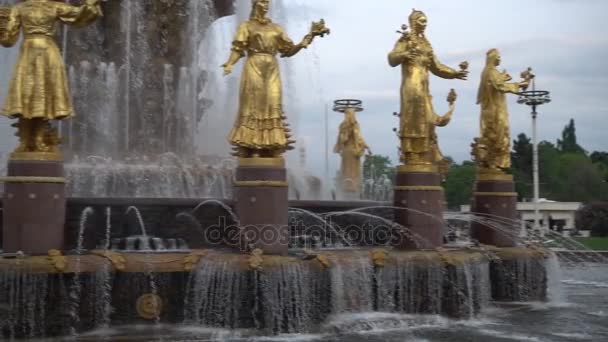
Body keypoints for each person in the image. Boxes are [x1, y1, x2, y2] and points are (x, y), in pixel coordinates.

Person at [222, 0, 328, 158]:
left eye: (267, 3)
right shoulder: (246, 26)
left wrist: (309, 37)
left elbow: (288, 50)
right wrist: (229, 64)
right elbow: (238, 48)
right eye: (262, 2)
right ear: (255, 4)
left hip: (272, 67)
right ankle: (249, 146)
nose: (265, 6)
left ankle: (270, 145)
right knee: (251, 104)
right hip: (253, 65)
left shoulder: (276, 28)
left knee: (272, 102)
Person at [0, 0, 102, 154]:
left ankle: (39, 138)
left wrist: (90, 4)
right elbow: (8, 41)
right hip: (28, 55)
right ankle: (26, 140)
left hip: (49, 55)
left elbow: (80, 15)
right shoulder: (19, 8)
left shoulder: (55, 6)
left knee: (44, 97)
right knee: (27, 97)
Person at [388, 9, 467, 166]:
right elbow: (391, 58)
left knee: (425, 120)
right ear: (413, 22)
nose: (424, 24)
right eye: (421, 21)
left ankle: (423, 153)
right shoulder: (405, 40)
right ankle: (410, 153)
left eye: (426, 21)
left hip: (423, 89)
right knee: (411, 119)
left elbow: (436, 67)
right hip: (411, 87)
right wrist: (403, 55)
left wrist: (454, 73)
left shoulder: (425, 44)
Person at [474, 48, 529, 172]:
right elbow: (499, 86)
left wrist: (503, 77)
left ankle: (495, 163)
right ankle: (495, 163)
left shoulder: (489, 72)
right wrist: (519, 85)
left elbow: (497, 82)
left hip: (493, 109)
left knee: (498, 134)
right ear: (492, 58)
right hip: (495, 111)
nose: (500, 58)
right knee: (499, 134)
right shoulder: (490, 71)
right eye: (498, 56)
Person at [334, 108, 371, 192]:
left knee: (353, 170)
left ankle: (352, 187)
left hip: (352, 151)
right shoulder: (345, 125)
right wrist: (348, 132)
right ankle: (349, 187)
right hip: (350, 151)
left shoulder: (353, 124)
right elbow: (344, 139)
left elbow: (358, 138)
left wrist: (367, 146)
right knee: (348, 170)